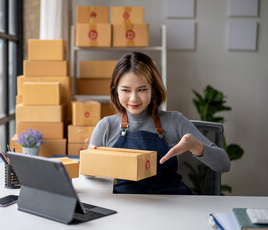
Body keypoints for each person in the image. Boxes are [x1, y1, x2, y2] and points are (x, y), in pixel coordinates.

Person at [89, 52, 231, 194]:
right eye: (126, 90)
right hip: (127, 207)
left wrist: (195, 146)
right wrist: (90, 165)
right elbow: (89, 175)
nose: (133, 99)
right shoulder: (106, 126)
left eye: (142, 89)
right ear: (116, 92)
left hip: (173, 205)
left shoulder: (174, 121)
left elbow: (224, 164)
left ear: (153, 89)